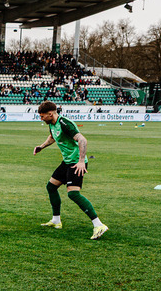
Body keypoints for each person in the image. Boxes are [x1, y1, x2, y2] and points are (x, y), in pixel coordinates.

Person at [33, 101, 108, 239]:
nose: (41, 119)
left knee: (73, 194)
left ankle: (99, 225)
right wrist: (41, 146)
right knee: (51, 187)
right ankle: (56, 220)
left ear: (51, 114)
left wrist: (81, 161)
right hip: (67, 162)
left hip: (76, 163)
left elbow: (82, 140)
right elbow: (52, 137)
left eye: (42, 116)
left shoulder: (65, 124)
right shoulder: (52, 123)